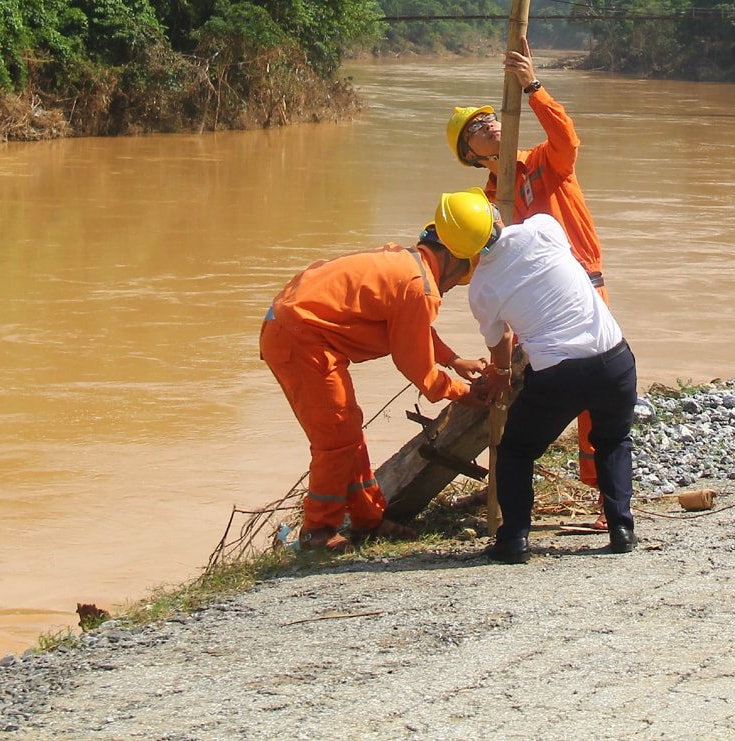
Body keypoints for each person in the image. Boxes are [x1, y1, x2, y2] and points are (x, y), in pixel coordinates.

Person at [432, 189, 637, 564]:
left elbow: (501, 339)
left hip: (560, 375)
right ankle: (622, 528)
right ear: (494, 215)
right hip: (615, 359)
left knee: (516, 450)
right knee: (612, 441)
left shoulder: (482, 289)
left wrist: (501, 374)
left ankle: (513, 540)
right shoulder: (543, 229)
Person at [259, 228, 494, 554]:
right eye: (459, 278)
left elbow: (409, 325)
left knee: (347, 430)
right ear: (455, 258)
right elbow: (419, 371)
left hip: (295, 328)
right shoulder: (419, 285)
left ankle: (368, 518)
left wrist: (453, 360)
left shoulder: (406, 262)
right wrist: (463, 392)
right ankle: (317, 532)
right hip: (301, 338)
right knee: (336, 439)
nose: (453, 286)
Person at [446, 48, 615, 490]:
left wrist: (533, 88)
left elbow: (567, 140)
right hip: (529, 310)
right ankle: (508, 493)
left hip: (583, 288)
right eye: (479, 129)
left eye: (491, 119)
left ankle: (602, 495)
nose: (491, 125)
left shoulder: (544, 160)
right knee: (529, 395)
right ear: (470, 154)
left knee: (593, 404)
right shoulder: (484, 205)